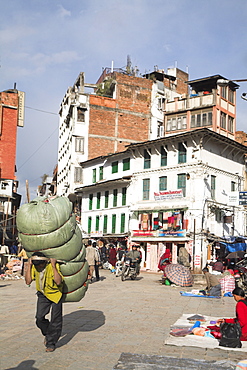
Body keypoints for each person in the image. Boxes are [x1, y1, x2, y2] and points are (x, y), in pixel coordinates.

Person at [25, 252, 64, 352]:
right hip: (42, 295)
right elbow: (28, 281)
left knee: (56, 320)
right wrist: (29, 266)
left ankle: (51, 343)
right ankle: (48, 333)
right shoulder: (35, 267)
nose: (39, 266)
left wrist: (54, 266)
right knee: (39, 317)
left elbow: (58, 281)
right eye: (36, 265)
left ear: (45, 262)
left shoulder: (52, 266)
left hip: (56, 294)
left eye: (40, 264)